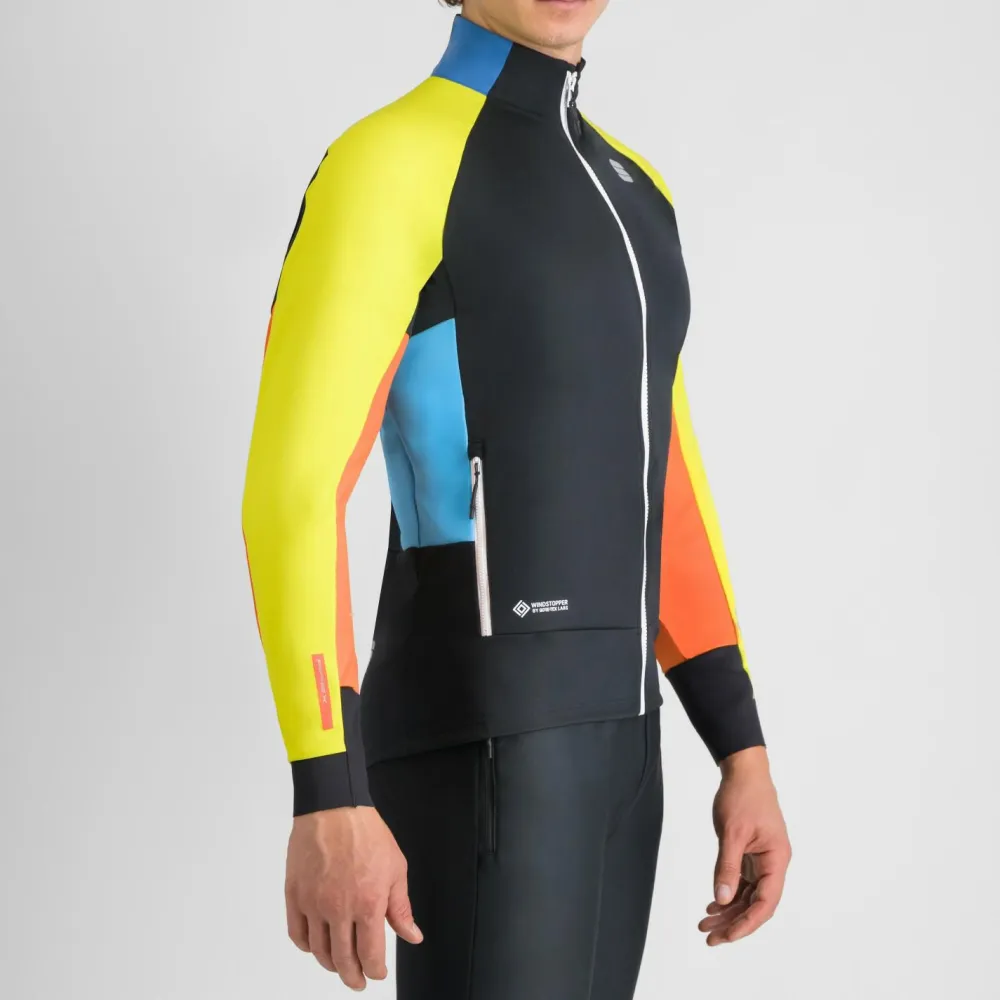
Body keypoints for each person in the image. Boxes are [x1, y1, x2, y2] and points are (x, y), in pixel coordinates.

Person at [241, 0, 792, 996]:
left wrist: (739, 744)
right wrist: (327, 787)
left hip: (625, 751)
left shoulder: (638, 191)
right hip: (478, 739)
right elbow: (295, 488)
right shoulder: (387, 164)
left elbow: (663, 477)